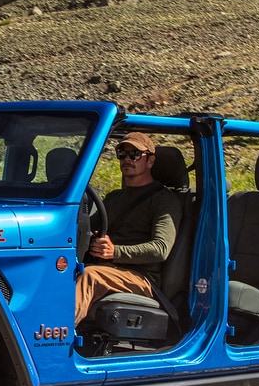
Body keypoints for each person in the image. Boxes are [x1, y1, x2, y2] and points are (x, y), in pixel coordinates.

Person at [75, 131, 182, 322]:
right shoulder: (113, 198)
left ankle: (55, 341)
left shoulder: (164, 200)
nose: (127, 159)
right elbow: (87, 228)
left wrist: (115, 251)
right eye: (122, 155)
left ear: (150, 161)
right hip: (109, 269)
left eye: (134, 155)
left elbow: (161, 249)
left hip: (143, 278)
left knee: (89, 276)